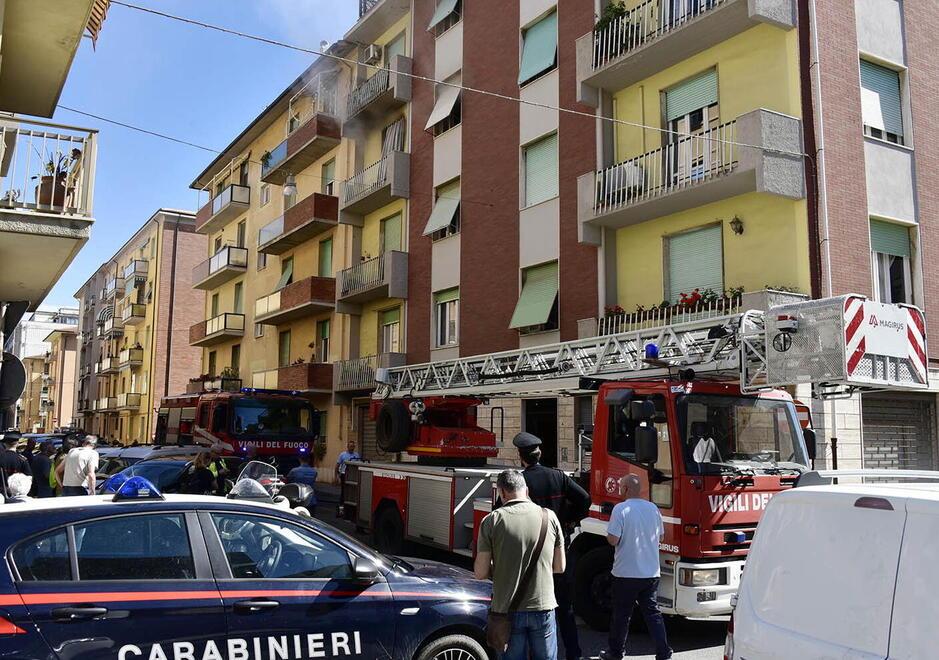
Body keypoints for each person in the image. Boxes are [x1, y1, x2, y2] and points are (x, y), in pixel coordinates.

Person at [513, 432, 591, 660]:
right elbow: (585, 499)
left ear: (521, 457)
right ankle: (573, 653)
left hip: (528, 553)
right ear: (540, 454)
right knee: (564, 608)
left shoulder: (520, 482)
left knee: (530, 607)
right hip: (558, 552)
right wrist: (570, 520)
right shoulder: (558, 477)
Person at [475, 470, 565, 660]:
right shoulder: (549, 517)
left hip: (506, 610)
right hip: (543, 607)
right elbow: (560, 567)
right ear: (526, 490)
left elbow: (481, 572)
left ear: (502, 492)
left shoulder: (492, 520)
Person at [600, 475, 672, 660]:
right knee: (653, 614)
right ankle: (663, 652)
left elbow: (613, 539)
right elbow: (661, 537)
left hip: (625, 573)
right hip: (650, 573)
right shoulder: (653, 508)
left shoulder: (621, 509)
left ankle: (616, 653)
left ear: (624, 489)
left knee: (622, 616)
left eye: (620, 487)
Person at [0, 430, 31, 499]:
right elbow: (29, 478)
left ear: (4, 444)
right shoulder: (22, 460)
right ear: (17, 443)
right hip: (17, 494)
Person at [335, 440, 360, 515]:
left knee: (353, 492)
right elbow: (337, 466)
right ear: (347, 447)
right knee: (344, 492)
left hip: (354, 476)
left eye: (353, 446)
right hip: (344, 475)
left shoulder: (357, 455)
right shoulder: (342, 455)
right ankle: (341, 509)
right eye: (350, 446)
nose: (352, 448)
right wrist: (335, 476)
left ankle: (351, 508)